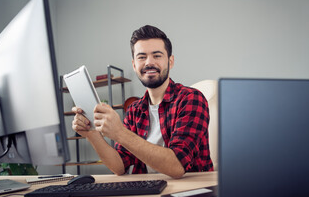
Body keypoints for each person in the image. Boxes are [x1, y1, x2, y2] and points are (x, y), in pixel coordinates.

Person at [72, 25, 213, 178]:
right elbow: (119, 166)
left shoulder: (191, 99)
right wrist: (91, 134)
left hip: (191, 192)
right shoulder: (135, 110)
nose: (148, 63)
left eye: (157, 55)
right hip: (149, 191)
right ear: (134, 65)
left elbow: (177, 166)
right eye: (142, 57)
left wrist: (119, 133)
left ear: (170, 61)